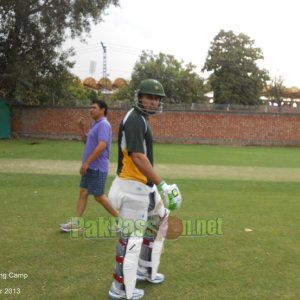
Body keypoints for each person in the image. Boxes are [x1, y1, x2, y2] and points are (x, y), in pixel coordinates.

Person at [107, 79, 182, 299]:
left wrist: (156, 185)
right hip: (132, 187)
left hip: (144, 186)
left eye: (157, 98)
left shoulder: (142, 118)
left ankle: (144, 269)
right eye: (149, 97)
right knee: (130, 239)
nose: (153, 101)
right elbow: (138, 157)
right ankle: (119, 288)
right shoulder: (134, 120)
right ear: (139, 97)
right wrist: (162, 183)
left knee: (160, 218)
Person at [60, 100, 118, 232]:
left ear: (103, 110)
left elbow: (102, 145)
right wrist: (80, 128)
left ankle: (121, 220)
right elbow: (86, 141)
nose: (91, 110)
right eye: (90, 107)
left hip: (97, 167)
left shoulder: (104, 124)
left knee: (98, 196)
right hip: (90, 166)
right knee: (83, 193)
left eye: (94, 107)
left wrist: (87, 162)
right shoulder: (95, 124)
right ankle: (76, 223)